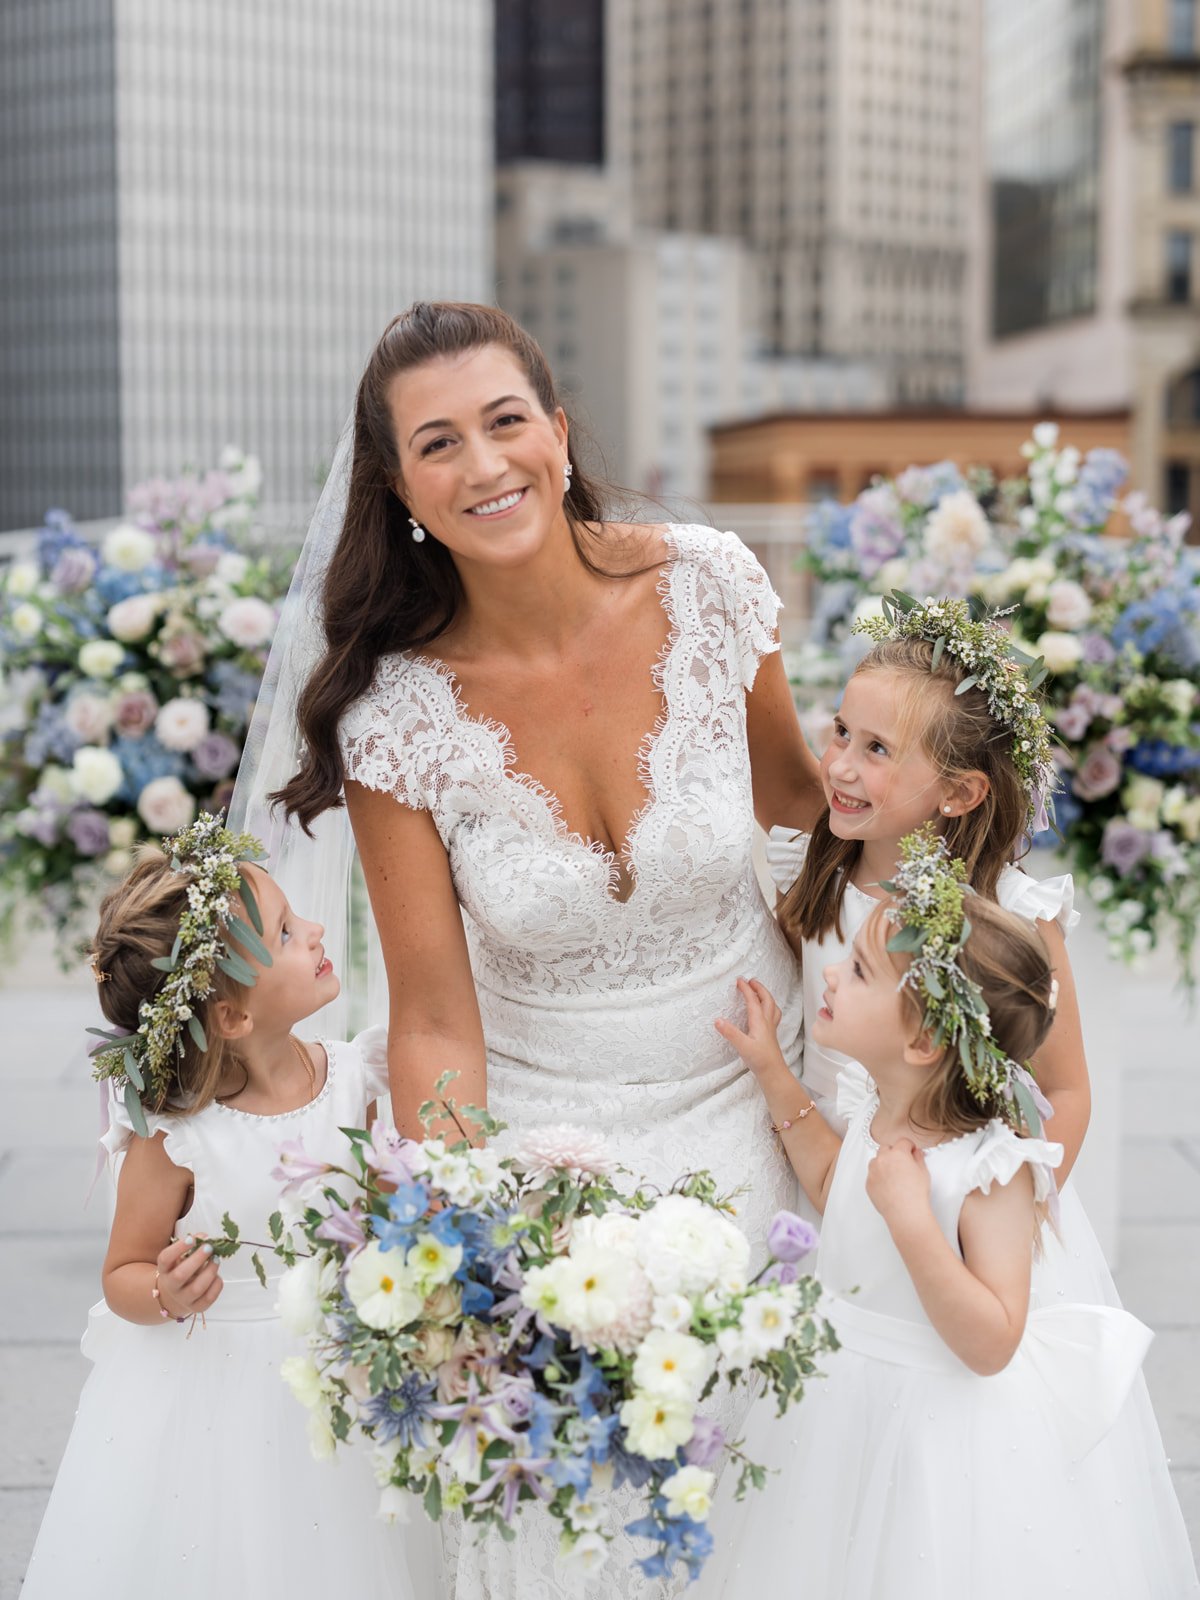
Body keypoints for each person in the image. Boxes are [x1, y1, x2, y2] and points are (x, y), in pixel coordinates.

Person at [233, 299, 824, 1595]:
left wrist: (908, 1033)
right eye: (438, 444)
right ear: (400, 491)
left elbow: (807, 823)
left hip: (766, 1084)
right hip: (553, 1136)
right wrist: (470, 1237)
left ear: (559, 432)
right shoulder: (394, 717)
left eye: (506, 422)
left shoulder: (711, 584)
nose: (485, 464)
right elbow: (433, 1017)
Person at [710, 827, 1197, 1598]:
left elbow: (993, 1340)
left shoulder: (988, 1170)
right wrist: (772, 1069)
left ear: (924, 1042)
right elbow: (838, 1183)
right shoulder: (878, 1112)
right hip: (842, 1396)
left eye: (859, 970)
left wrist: (913, 1222)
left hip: (933, 1424)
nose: (830, 972)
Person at [20, 815, 439, 1599]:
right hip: (217, 1399)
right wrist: (164, 1291)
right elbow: (122, 1271)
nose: (316, 930)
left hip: (338, 1378)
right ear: (234, 1017)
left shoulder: (356, 1078)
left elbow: (380, 1207)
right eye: (286, 932)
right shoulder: (178, 1138)